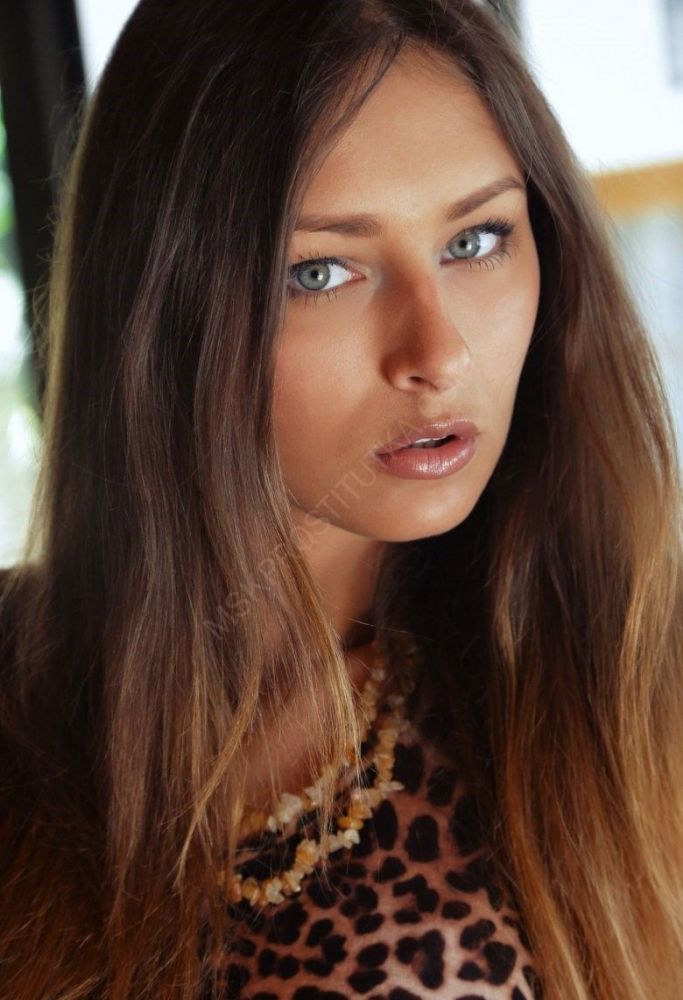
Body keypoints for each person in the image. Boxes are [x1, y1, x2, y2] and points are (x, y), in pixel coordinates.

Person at [0, 0, 681, 997]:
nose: (437, 353)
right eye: (320, 271)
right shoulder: (25, 701)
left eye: (475, 240)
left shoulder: (625, 672)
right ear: (164, 306)